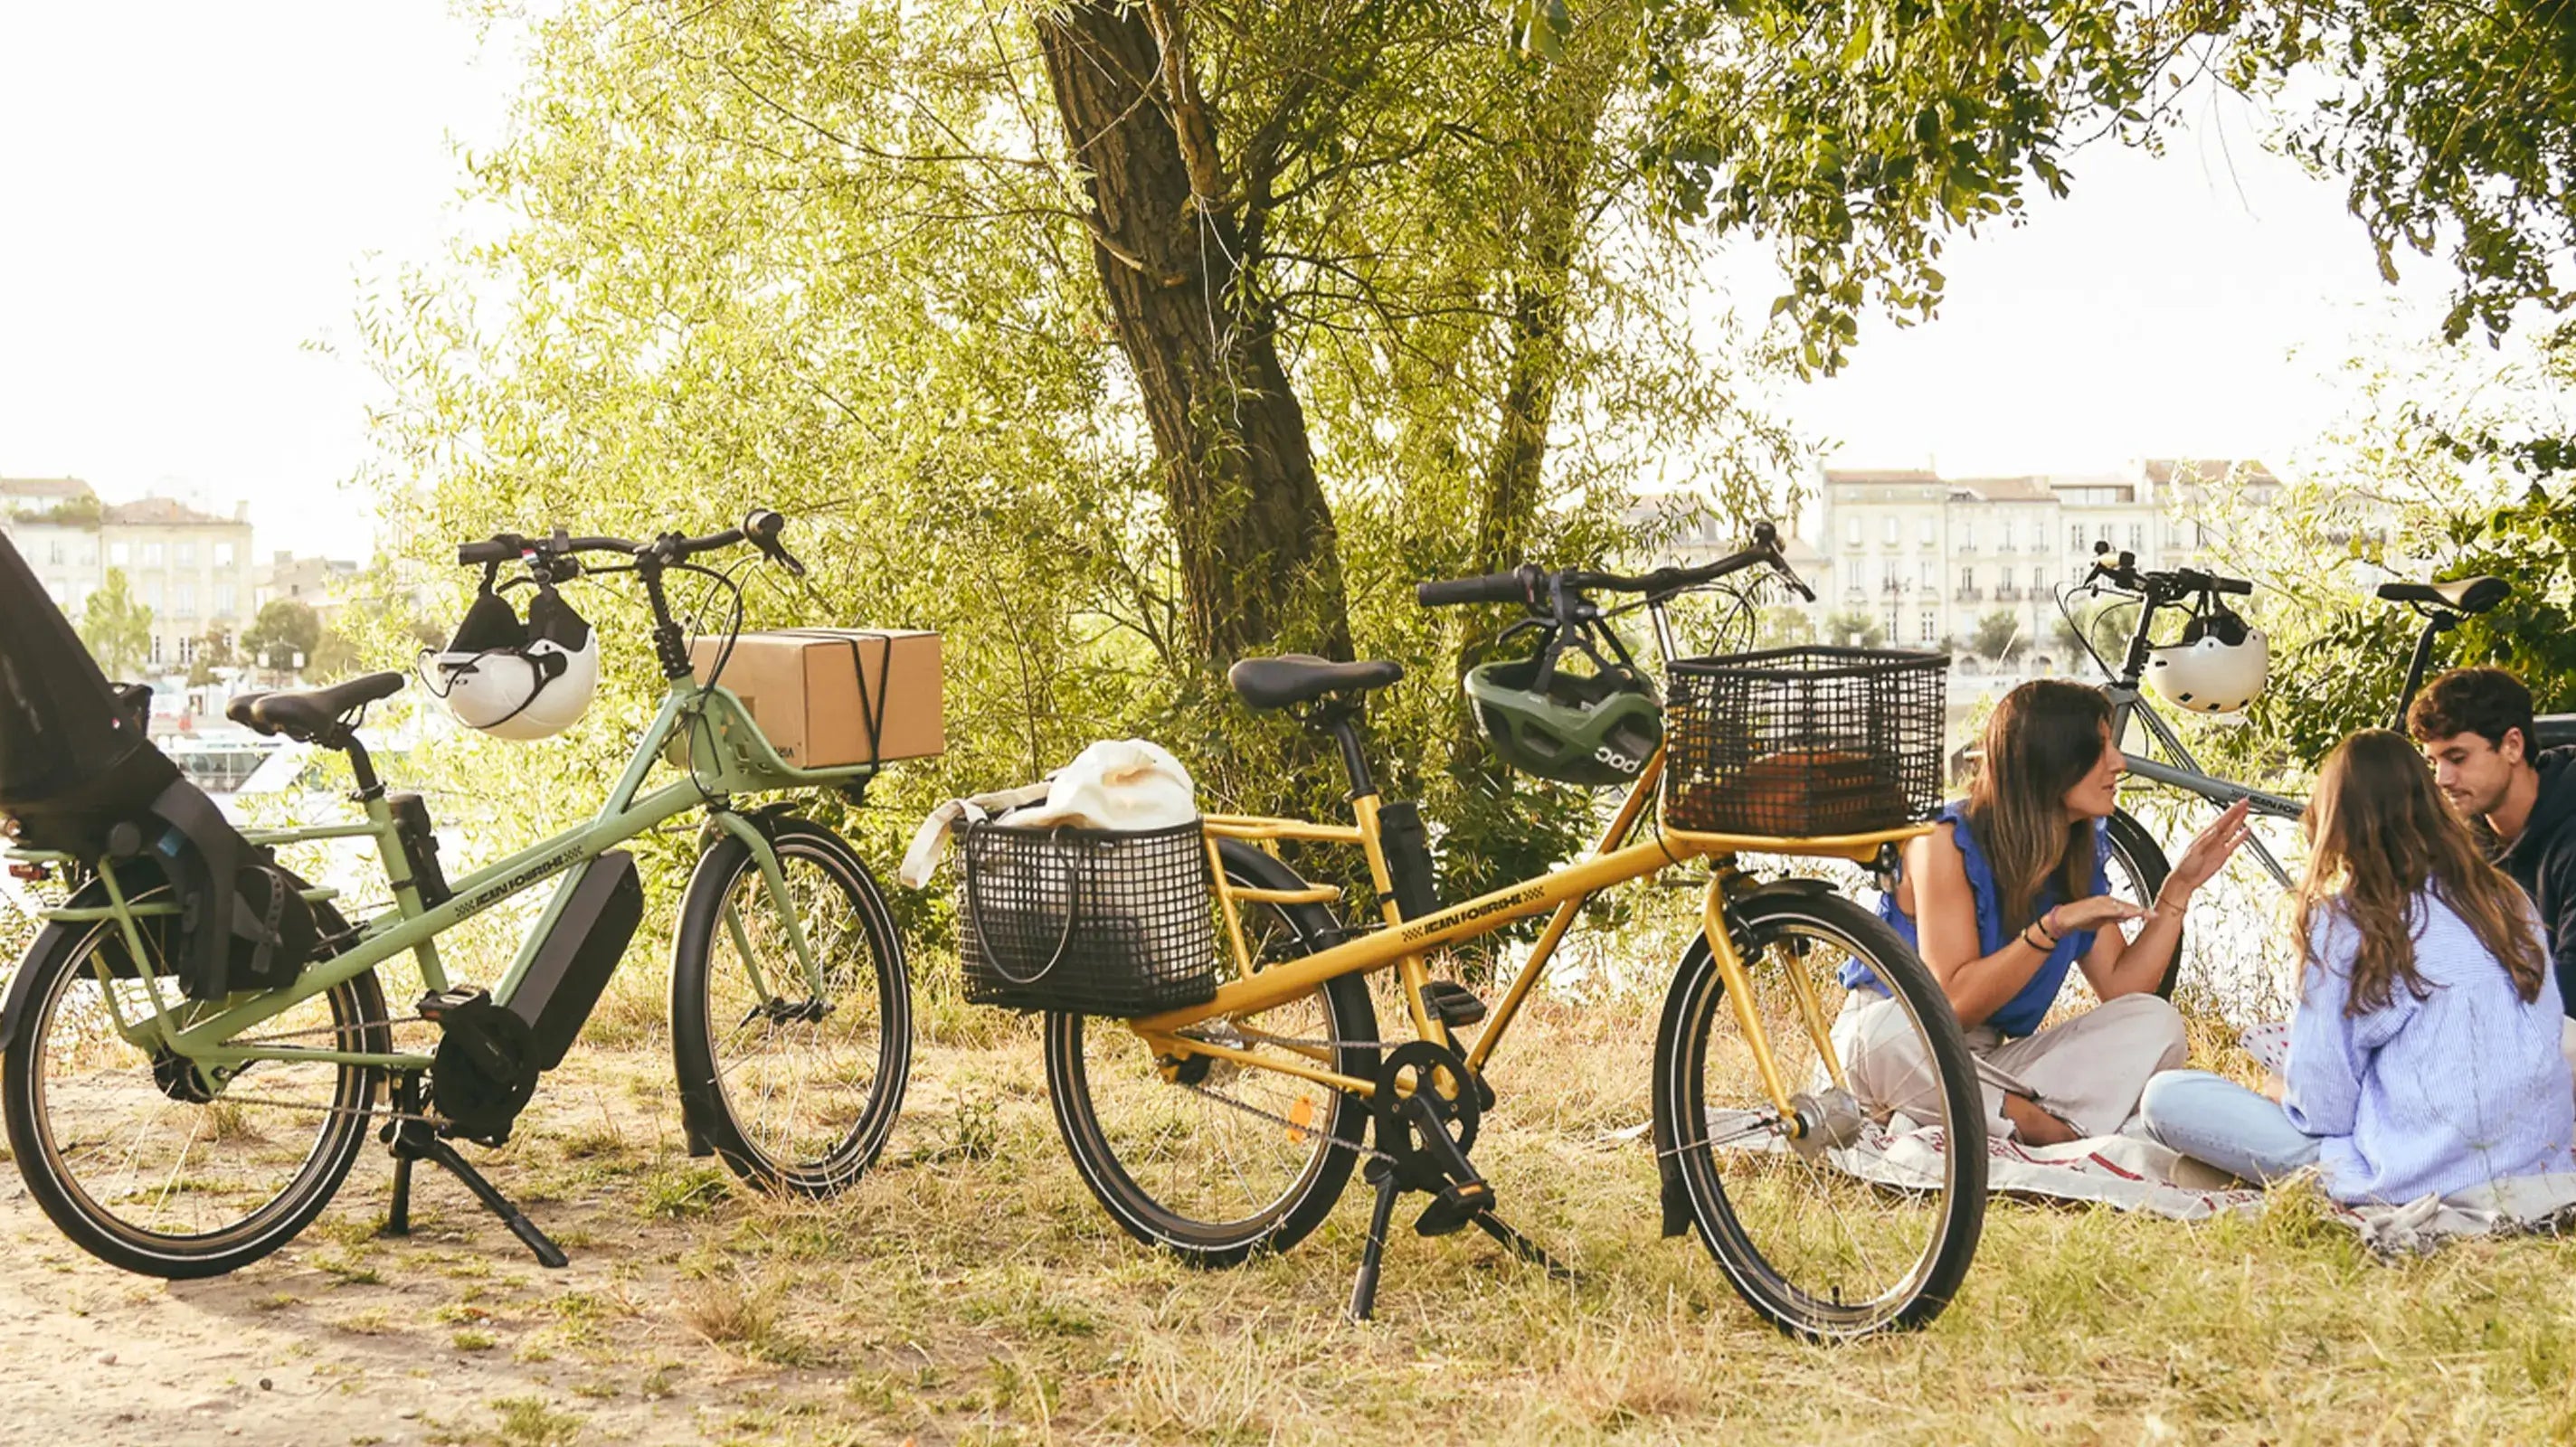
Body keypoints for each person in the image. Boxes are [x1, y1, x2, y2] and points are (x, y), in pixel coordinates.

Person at [2139, 731, 2574, 1200]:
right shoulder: (2504, 898)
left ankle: (2265, 1177)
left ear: (2333, 823)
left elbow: (2325, 1115)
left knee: (2166, 1097)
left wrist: (2281, 1086)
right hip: (2534, 1162)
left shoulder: (2342, 924)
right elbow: (2547, 1027)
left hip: (2411, 1173)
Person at [1836, 678, 2249, 1146]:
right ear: (2050, 761)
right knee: (1881, 1035)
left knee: (2156, 1023)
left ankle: (2000, 1119)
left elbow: (2122, 986)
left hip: (1991, 1069)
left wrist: (2177, 891)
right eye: (2100, 749)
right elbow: (1951, 1005)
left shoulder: (2076, 849)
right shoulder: (1944, 842)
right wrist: (2050, 929)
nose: (2118, 763)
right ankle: (2043, 1128)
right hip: (1908, 1044)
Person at [2406, 667, 2576, 1069]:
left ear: (2513, 746)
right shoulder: (2458, 842)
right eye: (2433, 762)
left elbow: (2570, 987)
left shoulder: (2569, 837)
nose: (2442, 779)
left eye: (2457, 758)